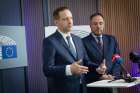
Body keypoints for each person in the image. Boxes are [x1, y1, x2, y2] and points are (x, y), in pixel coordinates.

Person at [42, 7, 105, 93]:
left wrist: (97, 68)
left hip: (82, 88)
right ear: (56, 22)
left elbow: (86, 62)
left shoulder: (78, 39)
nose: (70, 21)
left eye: (71, 18)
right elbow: (47, 70)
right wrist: (69, 69)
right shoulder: (50, 41)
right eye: (65, 19)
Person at [83, 13, 121, 93]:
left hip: (113, 83)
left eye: (100, 23)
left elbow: (117, 60)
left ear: (104, 24)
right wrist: (100, 76)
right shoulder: (83, 42)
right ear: (90, 25)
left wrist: (114, 75)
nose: (98, 26)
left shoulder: (112, 39)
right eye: (95, 24)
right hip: (95, 84)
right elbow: (85, 63)